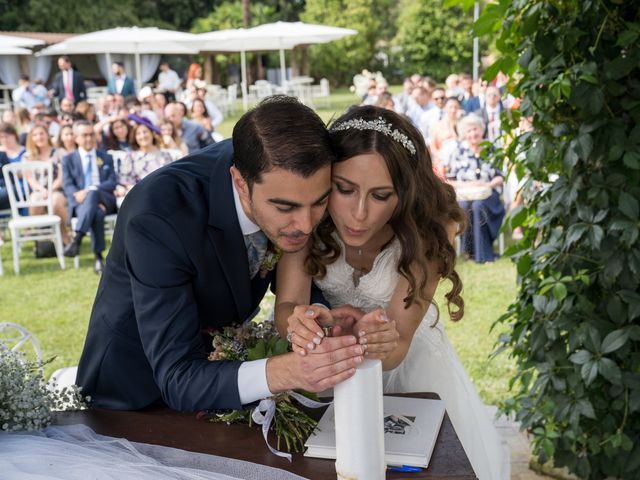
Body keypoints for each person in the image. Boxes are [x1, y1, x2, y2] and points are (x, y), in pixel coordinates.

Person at [75, 95, 365, 412]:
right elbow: (178, 377)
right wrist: (289, 370)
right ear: (240, 183)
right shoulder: (158, 217)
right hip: (133, 397)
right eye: (285, 208)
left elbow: (293, 291)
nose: (307, 225)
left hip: (225, 379)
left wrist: (319, 320)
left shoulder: (279, 165)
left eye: (319, 203)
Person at [276, 106, 509, 480]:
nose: (359, 214)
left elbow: (398, 346)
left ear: (405, 192)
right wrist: (299, 324)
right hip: (330, 371)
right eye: (344, 189)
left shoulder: (429, 233)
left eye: (381, 195)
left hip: (414, 370)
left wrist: (378, 338)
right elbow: (287, 305)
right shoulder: (310, 219)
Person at [445, 114, 505, 263]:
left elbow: (500, 177)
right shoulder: (458, 152)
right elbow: (450, 181)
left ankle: (483, 254)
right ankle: (470, 251)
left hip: (489, 195)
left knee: (479, 206)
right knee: (465, 206)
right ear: (465, 134)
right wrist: (467, 185)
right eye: (469, 130)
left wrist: (487, 185)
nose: (473, 133)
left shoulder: (491, 149)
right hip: (465, 195)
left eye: (475, 129)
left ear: (482, 129)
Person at [62, 121, 118, 274]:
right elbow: (67, 185)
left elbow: (112, 182)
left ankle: (77, 238)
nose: (89, 138)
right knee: (97, 213)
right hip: (81, 204)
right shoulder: (68, 160)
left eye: (91, 134)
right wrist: (77, 194)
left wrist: (89, 190)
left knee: (92, 193)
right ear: (76, 138)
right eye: (84, 135)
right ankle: (98, 257)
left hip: (105, 199)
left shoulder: (105, 157)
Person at [23, 125, 69, 240]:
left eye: (41, 133)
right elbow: (30, 179)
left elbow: (61, 177)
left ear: (47, 135)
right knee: (35, 200)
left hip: (57, 189)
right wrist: (42, 190)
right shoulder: (27, 157)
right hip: (39, 190)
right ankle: (43, 239)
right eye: (35, 135)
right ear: (31, 138)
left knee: (55, 201)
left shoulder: (59, 153)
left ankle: (65, 236)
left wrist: (50, 190)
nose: (39, 137)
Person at [117, 122, 172, 195]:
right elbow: (125, 180)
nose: (142, 136)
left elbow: (170, 177)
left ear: (152, 133)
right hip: (140, 195)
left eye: (145, 132)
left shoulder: (164, 155)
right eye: (138, 134)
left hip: (163, 192)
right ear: (135, 137)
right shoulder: (131, 157)